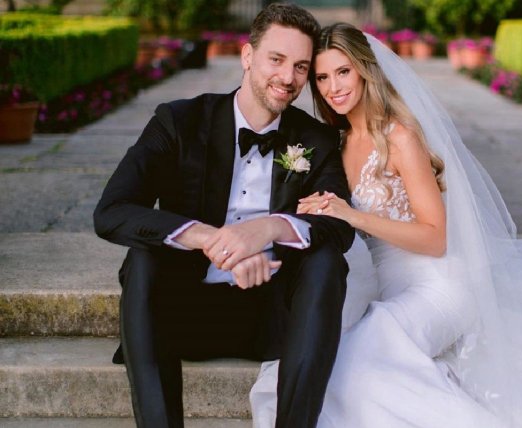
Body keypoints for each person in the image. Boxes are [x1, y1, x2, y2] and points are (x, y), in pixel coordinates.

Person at [250, 23, 522, 427]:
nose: (333, 87)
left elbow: (435, 237)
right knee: (322, 354)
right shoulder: (335, 144)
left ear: (364, 70)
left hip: (439, 284)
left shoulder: (400, 138)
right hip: (386, 286)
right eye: (322, 77)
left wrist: (351, 214)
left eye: (343, 72)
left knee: (364, 355)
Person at [93, 5, 355, 428]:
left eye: (301, 67)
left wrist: (264, 229)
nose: (288, 78)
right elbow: (112, 211)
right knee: (142, 259)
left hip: (276, 318)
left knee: (328, 262)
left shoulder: (315, 139)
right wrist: (211, 240)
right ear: (247, 56)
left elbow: (340, 226)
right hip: (188, 312)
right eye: (277, 59)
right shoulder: (178, 121)